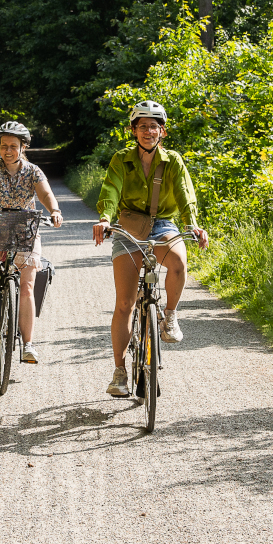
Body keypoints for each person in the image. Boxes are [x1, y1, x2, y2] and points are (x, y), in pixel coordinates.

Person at [91, 99, 210, 398]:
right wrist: (105, 219)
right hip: (128, 225)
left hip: (164, 225)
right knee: (124, 304)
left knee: (179, 263)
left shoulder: (173, 161)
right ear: (133, 131)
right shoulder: (121, 159)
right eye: (142, 126)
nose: (148, 131)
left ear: (163, 132)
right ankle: (119, 371)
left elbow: (185, 193)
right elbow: (111, 189)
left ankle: (169, 315)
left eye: (154, 126)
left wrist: (193, 224)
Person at [0, 121, 64, 365]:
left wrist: (55, 209)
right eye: (3, 146)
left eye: (13, 146)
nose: (8, 150)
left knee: (28, 284)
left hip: (25, 229)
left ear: (23, 147)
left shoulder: (33, 171)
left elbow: (45, 193)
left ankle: (28, 344)